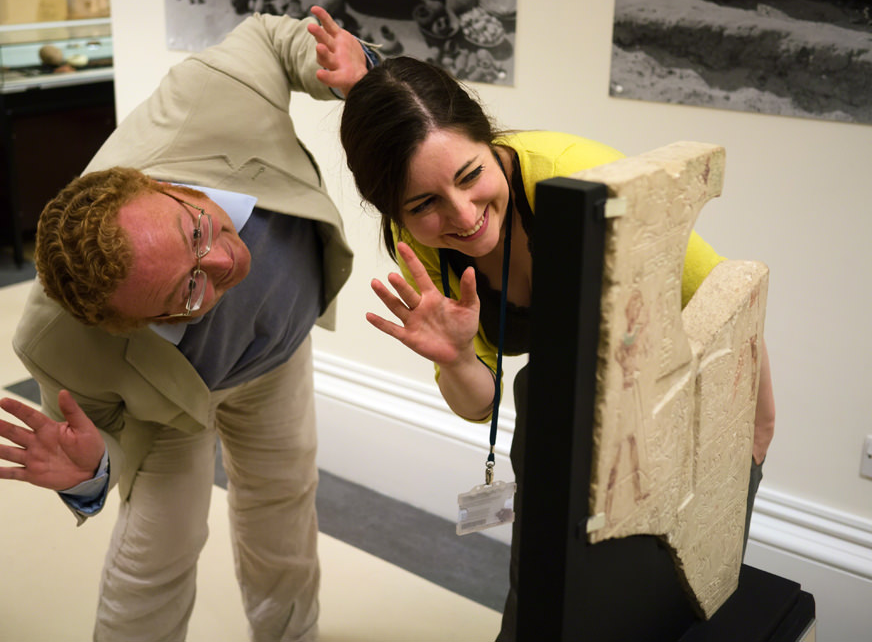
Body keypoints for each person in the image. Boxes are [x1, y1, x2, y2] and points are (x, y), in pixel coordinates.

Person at [317, 52, 775, 642]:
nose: (463, 217)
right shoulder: (417, 237)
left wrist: (756, 435)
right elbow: (480, 404)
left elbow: (727, 300)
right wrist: (456, 359)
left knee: (660, 606)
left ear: (489, 140)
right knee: (544, 597)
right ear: (396, 209)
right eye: (424, 203)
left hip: (670, 397)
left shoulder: (583, 181)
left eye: (469, 176)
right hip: (564, 406)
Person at [0, 10, 373, 642]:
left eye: (195, 228)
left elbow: (269, 37)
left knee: (284, 505)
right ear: (124, 324)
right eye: (188, 291)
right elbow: (95, 440)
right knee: (159, 550)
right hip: (169, 405)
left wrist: (350, 72)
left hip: (275, 358)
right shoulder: (58, 342)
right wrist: (90, 474)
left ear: (153, 185)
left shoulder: (207, 97)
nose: (224, 259)